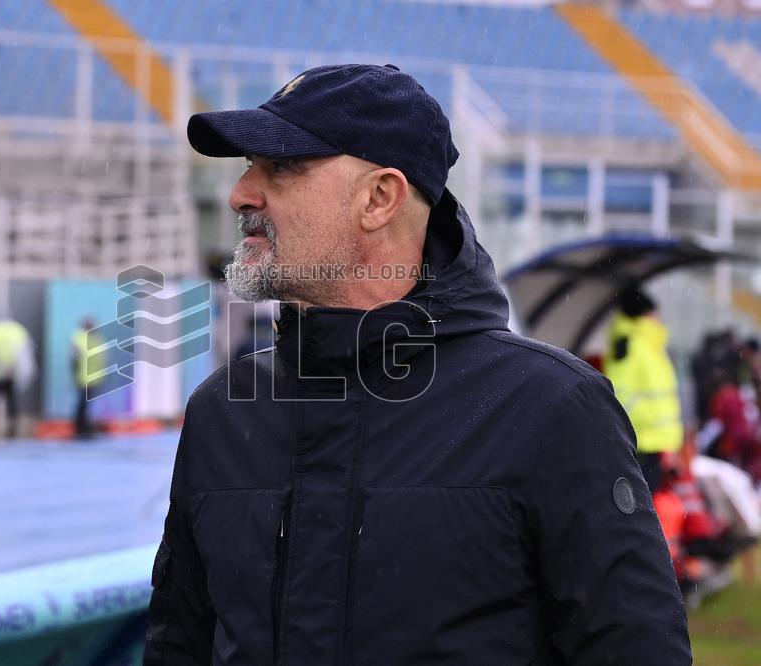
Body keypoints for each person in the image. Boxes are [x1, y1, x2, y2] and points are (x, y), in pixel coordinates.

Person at [145, 64, 690, 664]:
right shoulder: (222, 412)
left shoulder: (549, 408)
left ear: (380, 198)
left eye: (281, 166)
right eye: (248, 166)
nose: (241, 192)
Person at [602, 286, 683, 493]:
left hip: (654, 442)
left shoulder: (650, 345)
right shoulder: (631, 346)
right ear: (646, 314)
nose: (659, 317)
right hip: (643, 442)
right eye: (656, 312)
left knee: (648, 503)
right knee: (641, 504)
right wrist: (650, 424)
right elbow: (620, 397)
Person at [71, 317, 106, 439]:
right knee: (82, 406)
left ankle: (85, 428)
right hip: (84, 379)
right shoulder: (80, 339)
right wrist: (75, 377)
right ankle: (80, 429)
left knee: (87, 406)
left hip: (94, 379)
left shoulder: (95, 339)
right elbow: (74, 360)